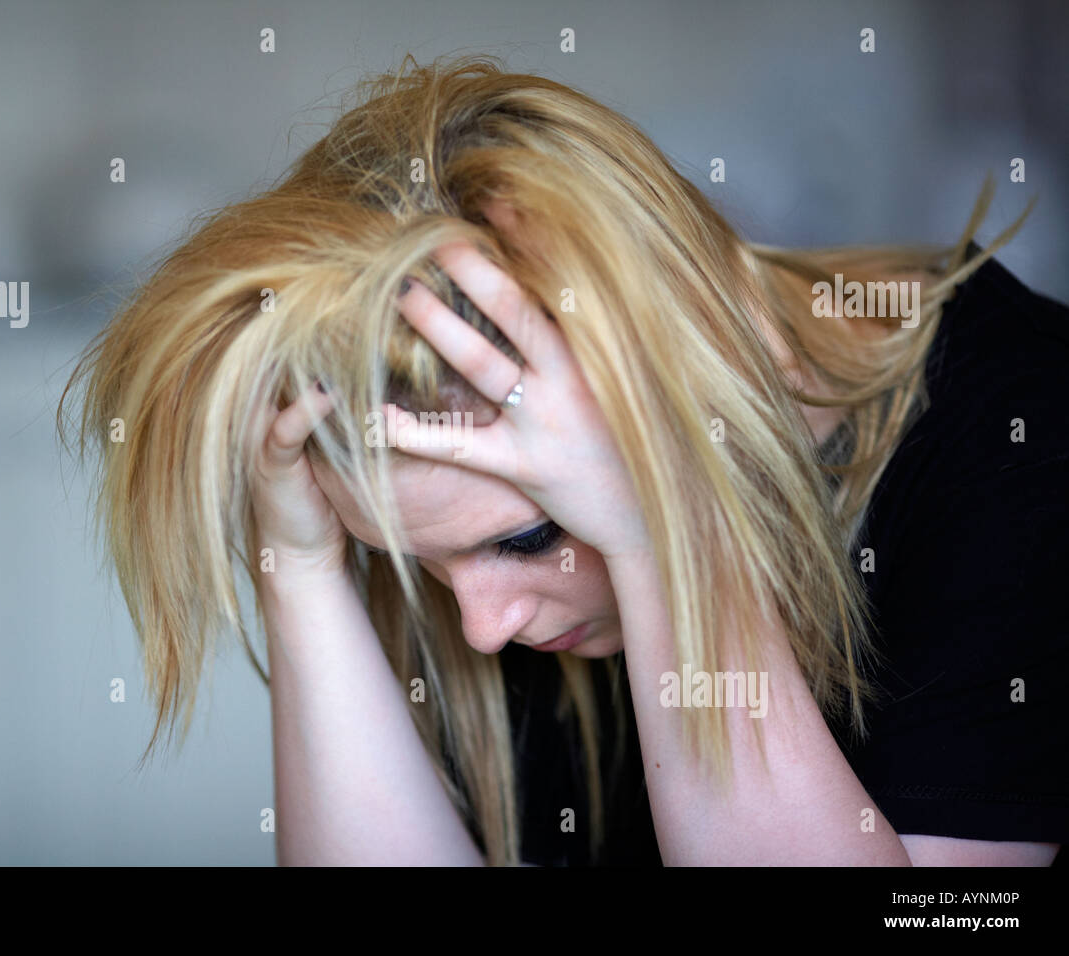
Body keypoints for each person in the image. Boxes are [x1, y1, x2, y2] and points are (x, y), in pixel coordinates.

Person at [57, 53, 1068, 865]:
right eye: (417, 561)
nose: (483, 626)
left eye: (529, 537)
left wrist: (666, 525)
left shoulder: (1023, 433)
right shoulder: (481, 567)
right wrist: (304, 570)